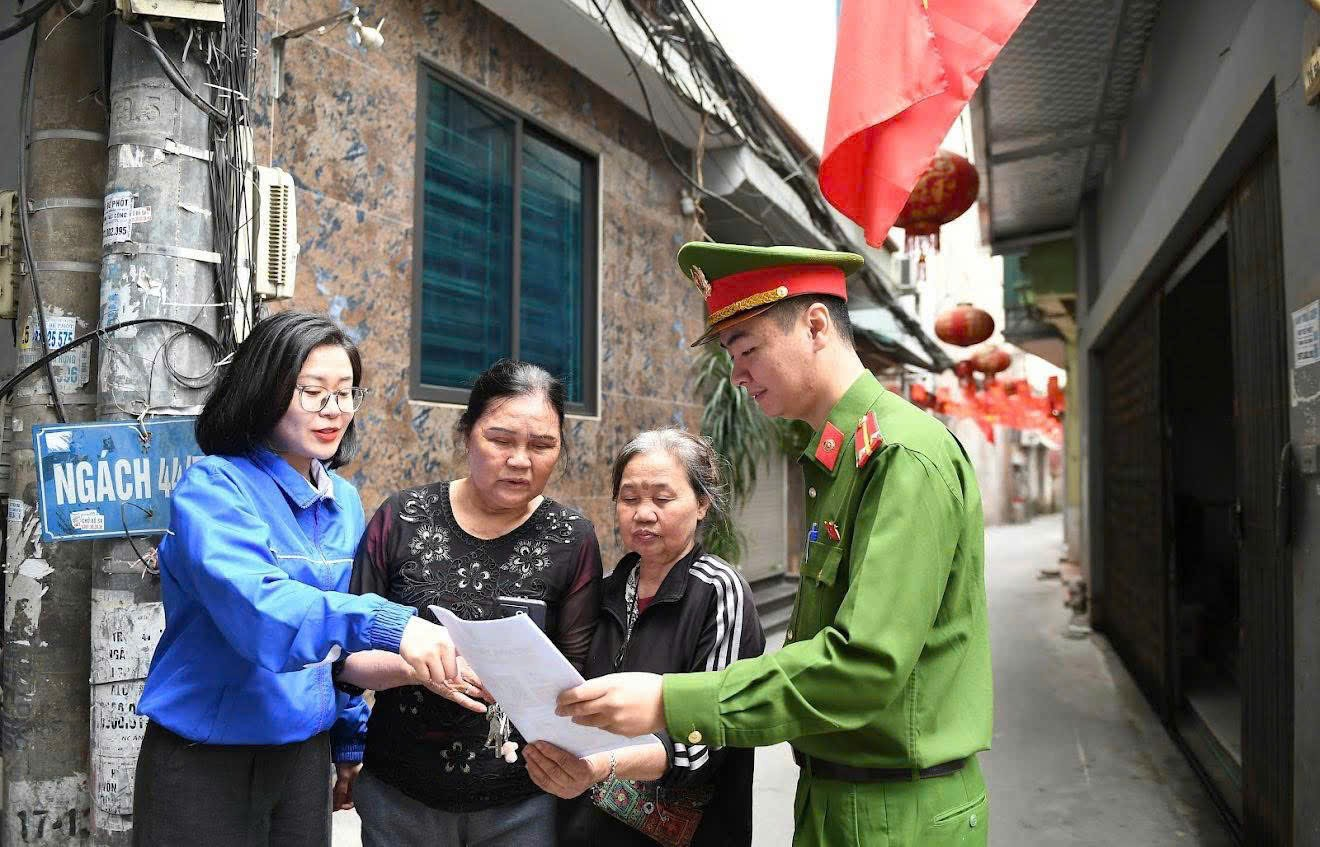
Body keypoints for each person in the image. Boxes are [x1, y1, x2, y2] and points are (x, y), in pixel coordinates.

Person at [555, 243, 993, 847]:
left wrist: (669, 700)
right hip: (842, 795)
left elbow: (863, 666)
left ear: (816, 326)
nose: (736, 375)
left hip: (898, 806)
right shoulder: (840, 460)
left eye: (747, 350)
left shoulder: (901, 456)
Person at [133, 311, 477, 847]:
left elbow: (335, 649)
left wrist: (349, 738)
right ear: (262, 392)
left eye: (345, 393)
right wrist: (394, 624)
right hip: (204, 758)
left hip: (301, 758)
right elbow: (260, 611)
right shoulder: (214, 488)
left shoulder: (342, 502)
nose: (333, 410)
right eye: (312, 391)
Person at [347, 359, 603, 847]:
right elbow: (349, 658)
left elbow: (576, 672)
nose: (521, 460)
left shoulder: (573, 538)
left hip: (522, 800)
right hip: (400, 796)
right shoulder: (401, 518)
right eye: (501, 439)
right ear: (467, 434)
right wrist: (423, 666)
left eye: (543, 445)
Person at [524, 428, 765, 847]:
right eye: (630, 498)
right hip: (586, 829)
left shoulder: (718, 590)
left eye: (663, 498)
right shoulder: (604, 590)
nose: (643, 513)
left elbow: (707, 739)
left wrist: (600, 767)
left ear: (702, 503)